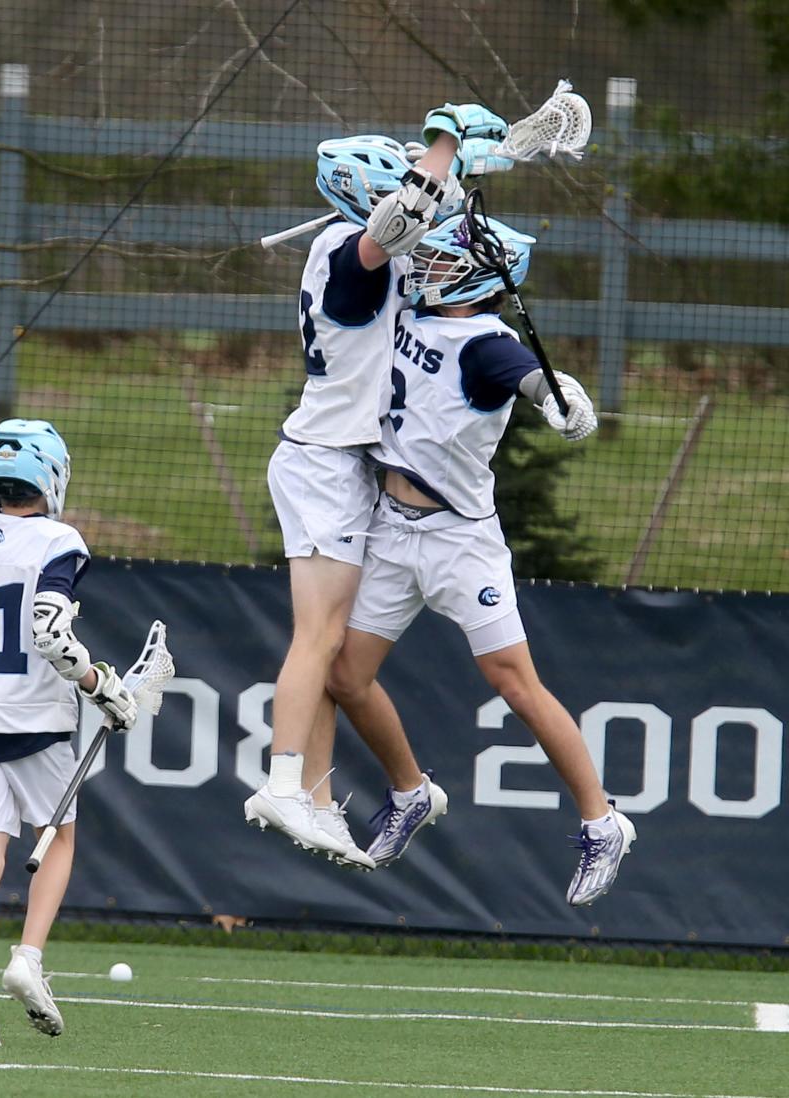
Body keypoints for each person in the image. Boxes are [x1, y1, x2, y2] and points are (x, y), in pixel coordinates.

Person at [326, 210, 636, 905]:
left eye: (441, 260)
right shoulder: (409, 307)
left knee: (515, 684)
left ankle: (602, 820)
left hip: (458, 541)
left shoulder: (489, 343)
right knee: (346, 676)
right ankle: (412, 792)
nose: (425, 266)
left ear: (477, 277)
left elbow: (531, 381)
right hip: (391, 531)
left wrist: (564, 402)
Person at [244, 105, 514, 869]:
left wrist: (472, 161)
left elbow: (441, 215)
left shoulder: (365, 249)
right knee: (319, 637)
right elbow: (410, 212)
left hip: (345, 464)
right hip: (326, 462)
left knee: (335, 654)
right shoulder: (350, 253)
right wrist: (446, 142)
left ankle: (323, 801)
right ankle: (284, 780)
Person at [0, 419, 142, 1045]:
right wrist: (99, 685)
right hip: (36, 725)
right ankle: (28, 959)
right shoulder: (59, 539)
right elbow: (49, 631)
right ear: (53, 475)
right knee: (59, 839)